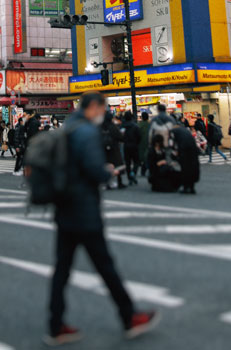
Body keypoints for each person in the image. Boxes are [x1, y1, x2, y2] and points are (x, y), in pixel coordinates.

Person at [45, 92, 159, 347]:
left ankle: (55, 325)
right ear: (94, 107)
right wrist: (107, 171)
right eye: (102, 109)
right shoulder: (86, 132)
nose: (102, 115)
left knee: (62, 270)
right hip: (84, 210)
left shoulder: (68, 127)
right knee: (105, 266)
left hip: (65, 208)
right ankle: (130, 317)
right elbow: (95, 170)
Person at [171, 125, 200, 194]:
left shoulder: (174, 132)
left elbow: (174, 144)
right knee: (193, 167)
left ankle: (186, 187)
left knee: (185, 168)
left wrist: (176, 154)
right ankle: (192, 187)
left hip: (184, 150)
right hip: (193, 149)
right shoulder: (185, 130)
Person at [101, 111, 126, 189]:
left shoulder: (101, 127)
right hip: (114, 148)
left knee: (107, 166)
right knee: (117, 165)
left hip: (104, 149)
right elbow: (120, 137)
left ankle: (107, 183)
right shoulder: (113, 127)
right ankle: (119, 182)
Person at [122, 111, 141, 185]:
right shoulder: (135, 126)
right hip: (134, 145)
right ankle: (133, 173)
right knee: (136, 161)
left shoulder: (122, 126)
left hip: (126, 146)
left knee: (127, 163)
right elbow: (139, 136)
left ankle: (130, 178)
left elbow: (121, 136)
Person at [137, 112, 150, 176]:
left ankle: (143, 170)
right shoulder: (150, 124)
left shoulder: (139, 125)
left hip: (141, 144)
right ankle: (146, 169)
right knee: (147, 157)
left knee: (143, 158)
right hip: (149, 143)